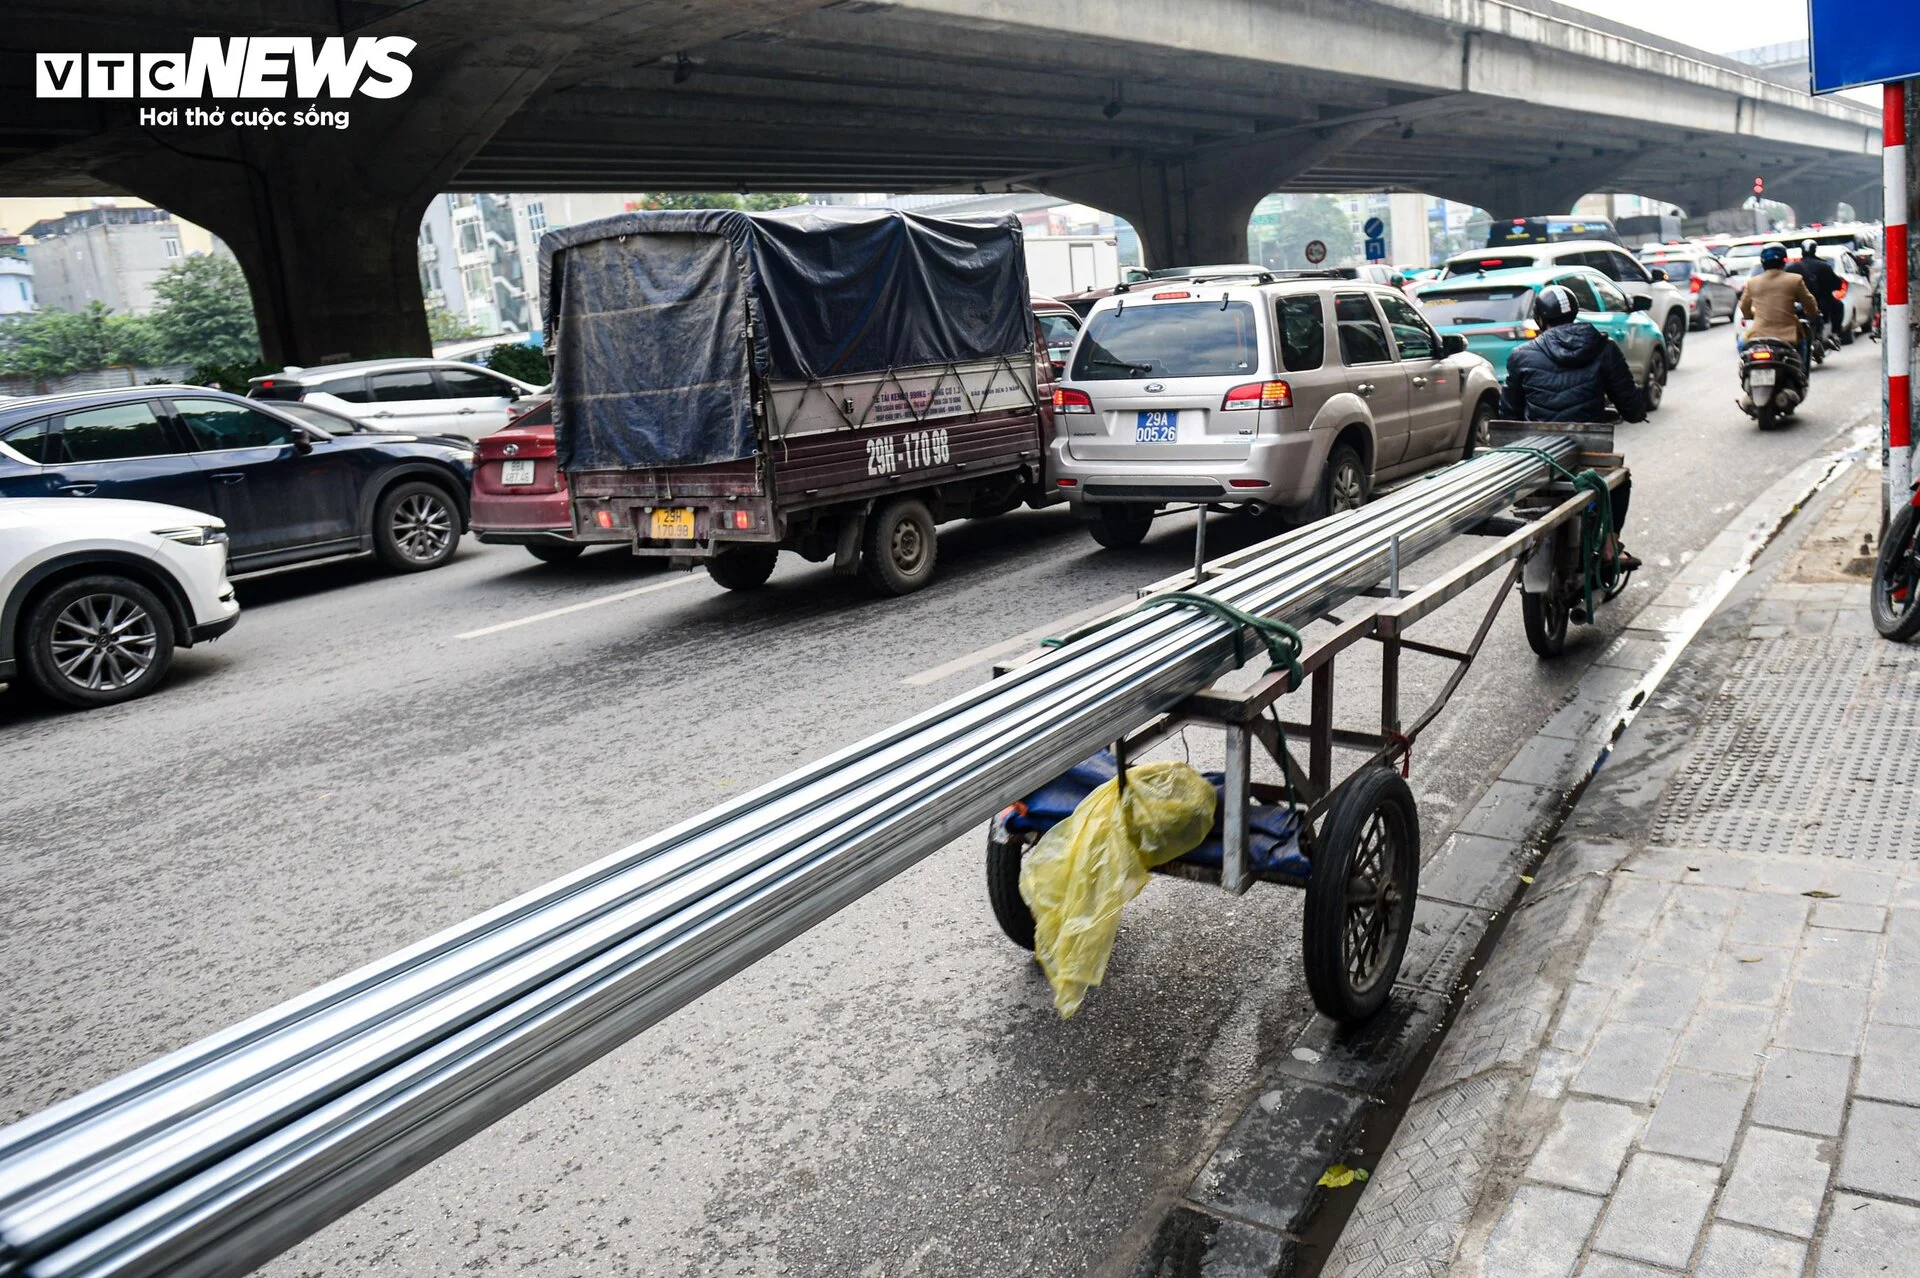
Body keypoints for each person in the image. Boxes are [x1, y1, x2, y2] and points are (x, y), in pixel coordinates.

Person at [1499, 283, 1642, 572]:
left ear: (1540, 319)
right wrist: (1631, 412)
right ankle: (1609, 548)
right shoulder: (1603, 348)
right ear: (1574, 314)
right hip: (1589, 455)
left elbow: (1509, 414)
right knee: (1620, 481)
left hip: (1537, 456)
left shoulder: (1521, 355)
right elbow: (1633, 408)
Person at [1740, 241, 1822, 372]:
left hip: (1758, 333)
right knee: (1803, 344)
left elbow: (1744, 307)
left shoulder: (1752, 282)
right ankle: (1801, 374)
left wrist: (1750, 315)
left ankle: (1745, 373)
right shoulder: (1795, 280)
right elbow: (1809, 302)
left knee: (1742, 346)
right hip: (1788, 335)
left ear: (1763, 262)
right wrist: (1812, 312)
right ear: (1784, 261)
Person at [1790, 238, 1846, 348]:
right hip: (1820, 302)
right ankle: (1835, 334)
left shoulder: (1793, 267)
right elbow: (1836, 284)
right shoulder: (1823, 266)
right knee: (1839, 306)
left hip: (1799, 304)